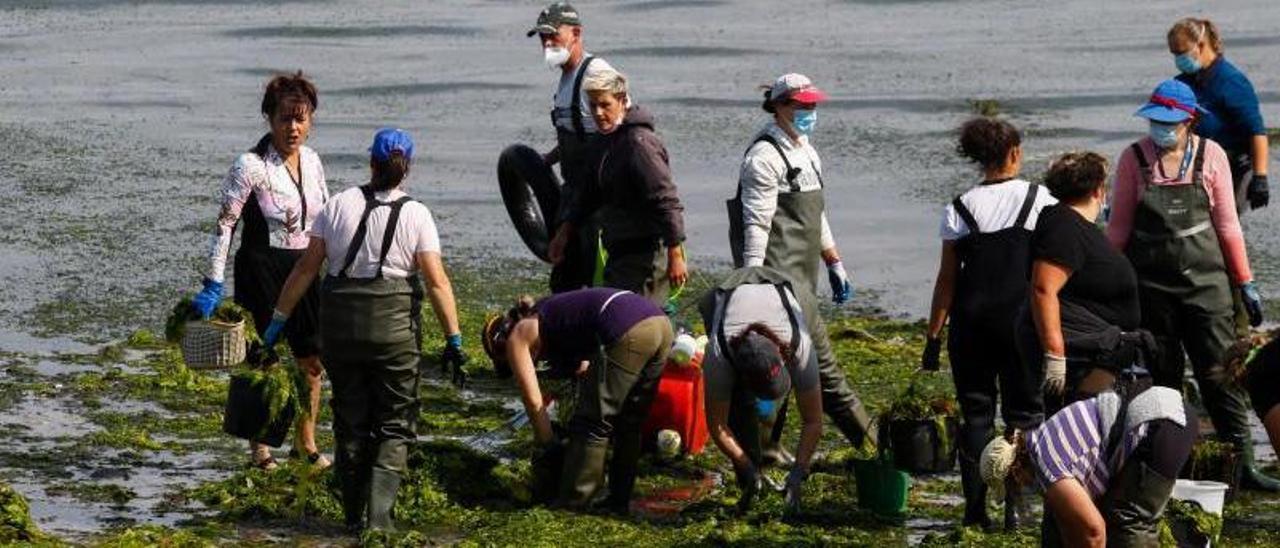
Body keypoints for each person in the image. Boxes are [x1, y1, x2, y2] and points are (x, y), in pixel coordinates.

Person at [266, 128, 467, 532]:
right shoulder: (417, 214)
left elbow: (306, 269)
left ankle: (352, 517)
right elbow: (437, 282)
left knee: (350, 418)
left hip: (340, 330)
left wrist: (276, 324)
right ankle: (379, 521)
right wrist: (454, 340)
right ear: (406, 169)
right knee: (395, 421)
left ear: (370, 163)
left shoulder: (337, 205)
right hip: (393, 333)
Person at [1106, 79, 1277, 492]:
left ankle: (1245, 467)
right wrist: (1109, 287)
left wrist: (1246, 282)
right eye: (1155, 122)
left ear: (1190, 120)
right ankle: (1167, 466)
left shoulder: (1211, 155)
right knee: (1162, 382)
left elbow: (1228, 227)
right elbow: (1118, 231)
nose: (1161, 129)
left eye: (1169, 122)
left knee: (1221, 377)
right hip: (1152, 291)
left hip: (1207, 289)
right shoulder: (1133, 160)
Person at [189, 72, 330, 471]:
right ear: (269, 118)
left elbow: (326, 217)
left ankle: (306, 443)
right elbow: (225, 225)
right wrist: (213, 281)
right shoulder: (248, 165)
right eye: (285, 118)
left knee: (312, 361)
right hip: (260, 267)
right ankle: (260, 451)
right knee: (263, 360)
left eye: (301, 119)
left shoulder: (315, 161)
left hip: (305, 267)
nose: (293, 128)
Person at [921, 117, 1056, 528]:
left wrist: (932, 336)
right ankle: (1017, 510)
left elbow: (947, 281)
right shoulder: (1042, 200)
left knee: (976, 417)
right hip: (1021, 324)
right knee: (1025, 418)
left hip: (971, 325)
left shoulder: (959, 207)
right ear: (1014, 152)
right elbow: (1050, 274)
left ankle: (975, 509)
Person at [480, 288, 672, 513]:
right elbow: (583, 368)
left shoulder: (516, 337)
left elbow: (533, 403)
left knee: (592, 423)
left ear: (501, 346)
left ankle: (574, 504)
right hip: (660, 323)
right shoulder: (548, 318)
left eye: (508, 362)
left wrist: (548, 446)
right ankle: (618, 501)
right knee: (629, 424)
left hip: (627, 328)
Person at [980, 387, 1194, 547]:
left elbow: (1093, 531)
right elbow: (1072, 522)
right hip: (1165, 409)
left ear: (1015, 472)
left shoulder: (1048, 468)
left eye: (1013, 487)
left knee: (1129, 522)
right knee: (1117, 512)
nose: (1022, 489)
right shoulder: (1041, 439)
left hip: (1159, 423)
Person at [698, 266, 831, 515]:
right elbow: (716, 424)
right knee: (737, 406)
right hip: (728, 292)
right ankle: (751, 475)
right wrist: (746, 466)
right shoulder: (718, 355)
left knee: (828, 384)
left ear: (783, 358)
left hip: (785, 288)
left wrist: (799, 472)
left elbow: (813, 421)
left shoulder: (799, 347)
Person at [1025, 152, 1153, 409]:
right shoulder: (1063, 226)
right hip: (1082, 358)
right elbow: (1043, 288)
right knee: (1081, 429)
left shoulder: (1073, 225)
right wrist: (1055, 356)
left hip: (1101, 355)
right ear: (1098, 190)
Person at [730, 73, 853, 304]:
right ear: (779, 106)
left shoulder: (807, 152)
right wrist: (751, 277)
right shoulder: (763, 157)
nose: (811, 111)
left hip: (804, 272)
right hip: (773, 274)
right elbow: (757, 223)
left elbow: (814, 213)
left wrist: (834, 263)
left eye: (813, 104)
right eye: (804, 105)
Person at [581, 68, 687, 305]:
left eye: (605, 105)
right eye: (592, 105)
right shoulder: (604, 140)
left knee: (638, 321)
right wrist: (565, 230)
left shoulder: (639, 144)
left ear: (622, 101)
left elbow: (666, 200)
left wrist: (675, 254)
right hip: (618, 247)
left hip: (647, 250)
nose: (598, 113)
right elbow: (588, 193)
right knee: (617, 314)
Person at [535, 2, 619, 293]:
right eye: (542, 38)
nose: (547, 43)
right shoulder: (565, 79)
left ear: (576, 33)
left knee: (594, 282)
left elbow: (623, 131)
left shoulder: (597, 74)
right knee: (565, 283)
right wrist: (549, 159)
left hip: (599, 202)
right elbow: (577, 131)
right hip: (574, 196)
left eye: (552, 35)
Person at [1169, 17, 1269, 213]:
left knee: (1225, 222)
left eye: (1181, 53)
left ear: (1201, 45)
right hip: (1198, 166)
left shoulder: (1231, 82)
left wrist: (1260, 178)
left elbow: (1256, 131)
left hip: (1235, 167)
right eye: (1174, 54)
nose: (1178, 59)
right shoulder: (1183, 83)